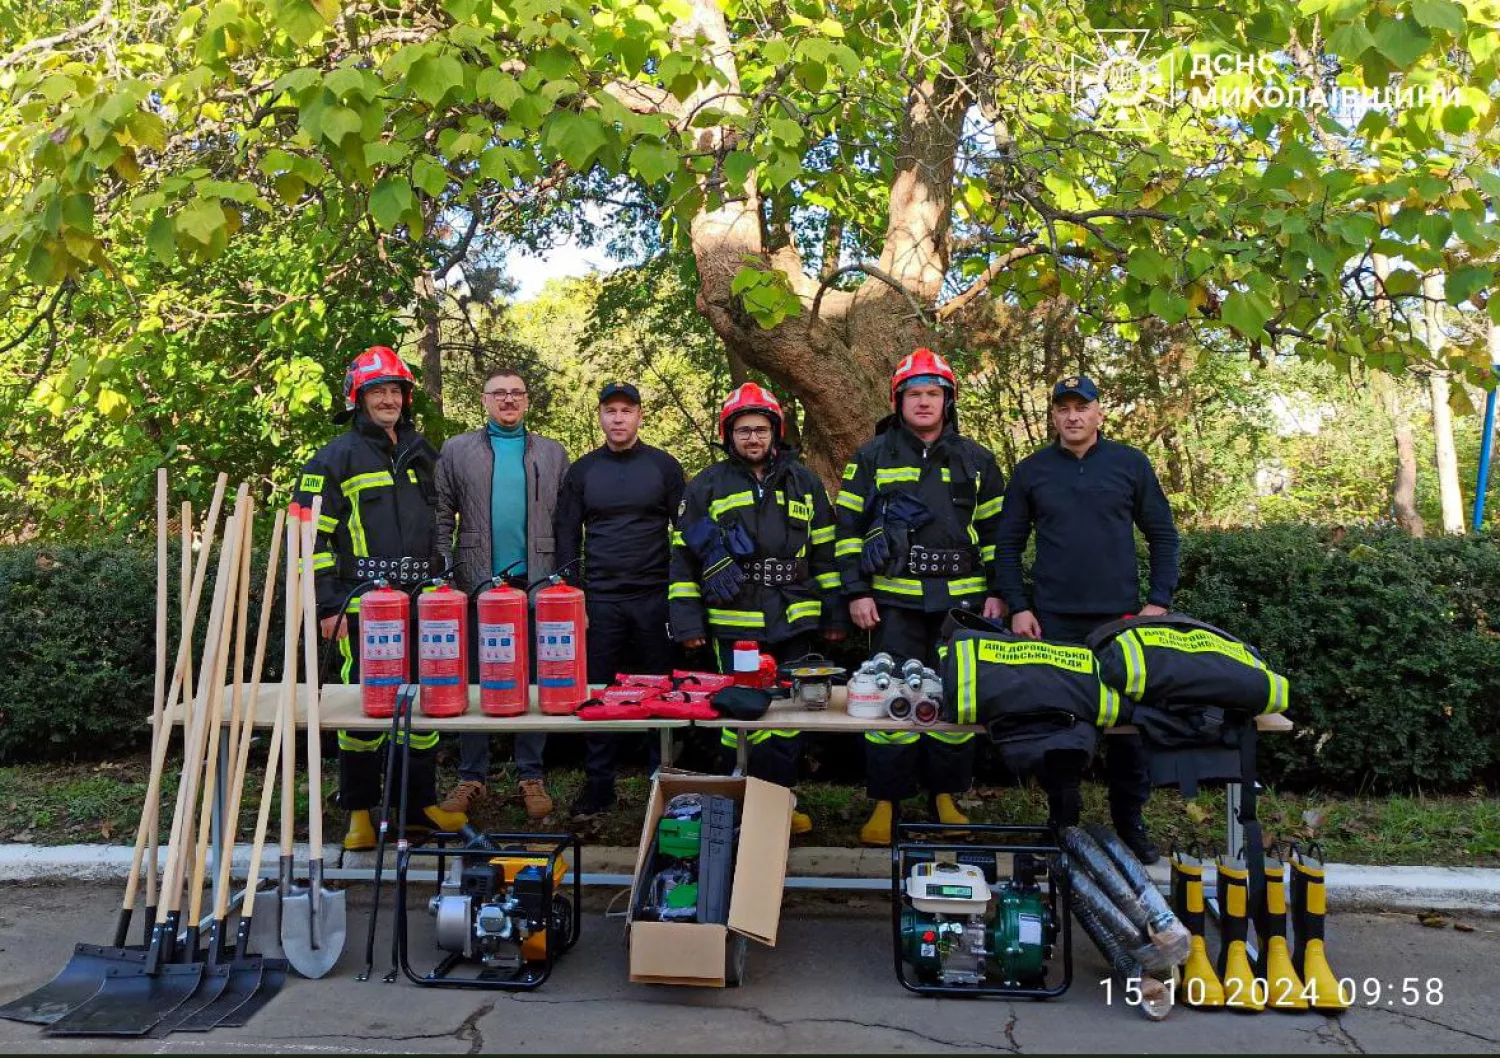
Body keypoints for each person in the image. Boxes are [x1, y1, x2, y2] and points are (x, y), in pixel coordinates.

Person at [994, 374, 1180, 864]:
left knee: (1129, 727)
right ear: (1053, 416)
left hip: (1121, 621)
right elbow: (1007, 546)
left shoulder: (1130, 464)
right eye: (1063, 408)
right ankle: (1063, 817)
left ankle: (1129, 820)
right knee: (1061, 724)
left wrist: (1158, 602)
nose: (1073, 416)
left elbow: (1163, 533)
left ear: (1100, 412)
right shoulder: (1032, 470)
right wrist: (1019, 605)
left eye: (1082, 407)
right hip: (1052, 621)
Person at [293, 345, 467, 850]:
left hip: (424, 602)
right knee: (364, 708)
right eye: (378, 391)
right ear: (358, 397)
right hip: (362, 605)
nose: (388, 399)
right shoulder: (332, 458)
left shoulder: (424, 453)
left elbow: (446, 521)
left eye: (395, 390)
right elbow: (310, 540)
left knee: (427, 700)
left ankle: (418, 806)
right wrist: (327, 606)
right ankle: (360, 814)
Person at [835, 348, 1008, 846]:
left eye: (934, 394)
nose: (925, 402)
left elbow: (999, 533)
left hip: (963, 604)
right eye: (915, 394)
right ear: (900, 401)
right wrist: (856, 591)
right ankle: (887, 801)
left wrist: (1000, 591)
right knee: (890, 698)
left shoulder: (977, 459)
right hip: (893, 602)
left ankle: (946, 796)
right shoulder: (871, 457)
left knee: (952, 700)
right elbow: (846, 528)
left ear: (948, 401)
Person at [668, 382, 845, 834]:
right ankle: (734, 800)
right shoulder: (707, 484)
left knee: (788, 716)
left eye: (760, 429)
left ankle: (779, 800)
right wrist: (688, 622)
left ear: (775, 433)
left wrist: (834, 615)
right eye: (743, 430)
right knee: (737, 716)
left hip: (794, 620)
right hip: (736, 626)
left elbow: (824, 551)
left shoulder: (804, 482)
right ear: (729, 435)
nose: (752, 438)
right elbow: (682, 559)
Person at [434, 368, 570, 821]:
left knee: (533, 675)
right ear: (484, 400)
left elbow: (569, 522)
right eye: (499, 394)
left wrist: (568, 577)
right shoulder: (456, 450)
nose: (508, 401)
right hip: (476, 580)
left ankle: (530, 773)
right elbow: (441, 515)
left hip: (536, 581)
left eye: (516, 394)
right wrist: (444, 573)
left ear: (527, 401)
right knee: (473, 678)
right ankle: (472, 776)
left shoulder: (552, 453)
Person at [554, 382, 686, 817]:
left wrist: (681, 598)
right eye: (609, 410)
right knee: (599, 692)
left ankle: (662, 779)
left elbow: (684, 534)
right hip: (601, 601)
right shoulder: (583, 471)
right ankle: (599, 785)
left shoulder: (664, 467)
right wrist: (576, 600)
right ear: (600, 417)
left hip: (654, 598)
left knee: (661, 691)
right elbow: (567, 536)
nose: (617, 418)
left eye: (626, 410)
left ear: (639, 416)